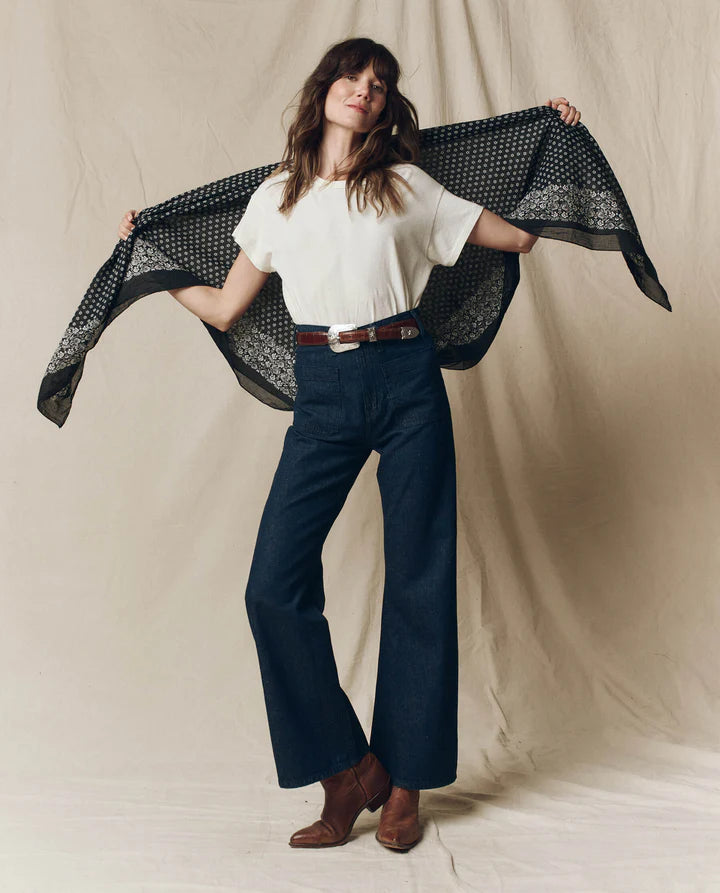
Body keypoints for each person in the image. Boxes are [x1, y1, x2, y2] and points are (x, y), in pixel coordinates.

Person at [117, 37, 580, 852]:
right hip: (321, 388)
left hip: (407, 379)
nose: (365, 89)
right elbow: (228, 308)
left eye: (379, 82)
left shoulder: (406, 184)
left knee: (419, 579)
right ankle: (347, 770)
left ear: (383, 104)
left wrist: (551, 135)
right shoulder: (275, 199)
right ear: (325, 88)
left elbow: (517, 240)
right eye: (352, 76)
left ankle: (403, 786)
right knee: (272, 584)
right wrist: (148, 262)